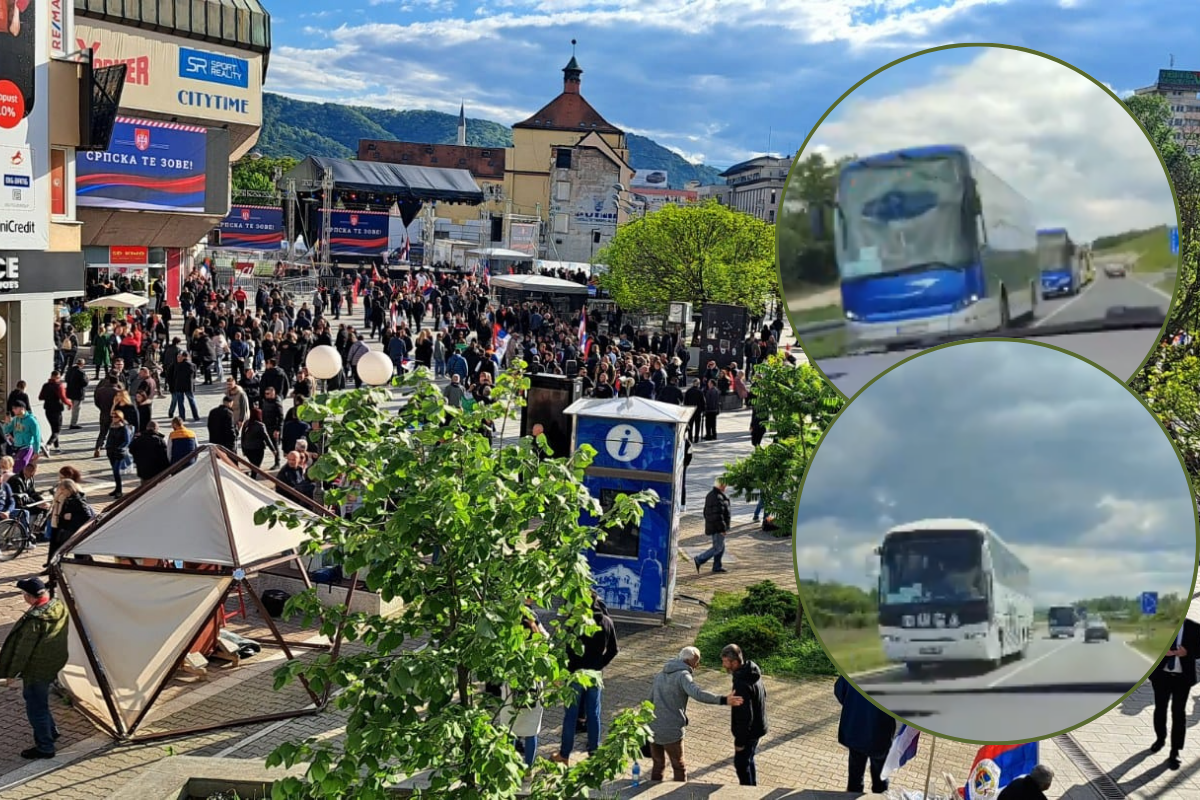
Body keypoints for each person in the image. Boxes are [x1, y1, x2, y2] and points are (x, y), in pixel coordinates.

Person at [647, 646, 742, 782]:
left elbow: (649, 701)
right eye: (696, 661)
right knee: (679, 767)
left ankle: (650, 793)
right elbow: (698, 694)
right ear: (688, 661)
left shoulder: (660, 674)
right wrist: (723, 699)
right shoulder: (683, 676)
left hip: (653, 729)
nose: (697, 665)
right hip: (671, 731)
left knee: (658, 765)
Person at [0, 577, 70, 759]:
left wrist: (11, 674)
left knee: (36, 707)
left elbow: (22, 654)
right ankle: (52, 731)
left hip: (37, 670)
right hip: (53, 662)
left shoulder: (34, 621)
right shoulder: (58, 606)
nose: (23, 597)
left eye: (24, 594)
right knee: (40, 700)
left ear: (31, 597)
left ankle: (45, 746)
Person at [553, 592, 619, 766]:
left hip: (575, 674)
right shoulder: (607, 621)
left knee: (570, 716)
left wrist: (564, 672)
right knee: (594, 714)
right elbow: (614, 650)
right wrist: (599, 665)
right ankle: (593, 753)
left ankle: (564, 755)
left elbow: (566, 649)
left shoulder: (576, 622)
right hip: (594, 675)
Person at [1149, 617, 1200, 770]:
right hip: (1162, 675)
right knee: (1160, 708)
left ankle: (1175, 750)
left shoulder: (1194, 628)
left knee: (1178, 712)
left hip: (1182, 677)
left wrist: (1187, 652)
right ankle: (1160, 738)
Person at [834, 675, 896, 795]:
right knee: (880, 779)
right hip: (880, 734)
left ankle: (854, 795)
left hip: (855, 731)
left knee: (855, 776)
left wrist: (853, 706)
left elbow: (839, 690)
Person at [721, 643, 767, 786]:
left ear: (735, 662)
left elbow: (744, 716)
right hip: (758, 727)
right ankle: (753, 788)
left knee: (741, 765)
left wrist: (739, 742)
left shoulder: (741, 683)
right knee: (748, 760)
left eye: (725, 662)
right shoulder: (752, 672)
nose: (724, 666)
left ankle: (748, 793)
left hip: (749, 732)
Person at [694, 478, 731, 574]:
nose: (726, 487)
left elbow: (706, 512)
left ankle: (717, 566)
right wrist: (722, 529)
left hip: (715, 526)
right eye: (724, 485)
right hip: (717, 527)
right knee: (717, 548)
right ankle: (699, 559)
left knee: (721, 547)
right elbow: (718, 516)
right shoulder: (717, 497)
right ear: (721, 485)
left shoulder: (713, 495)